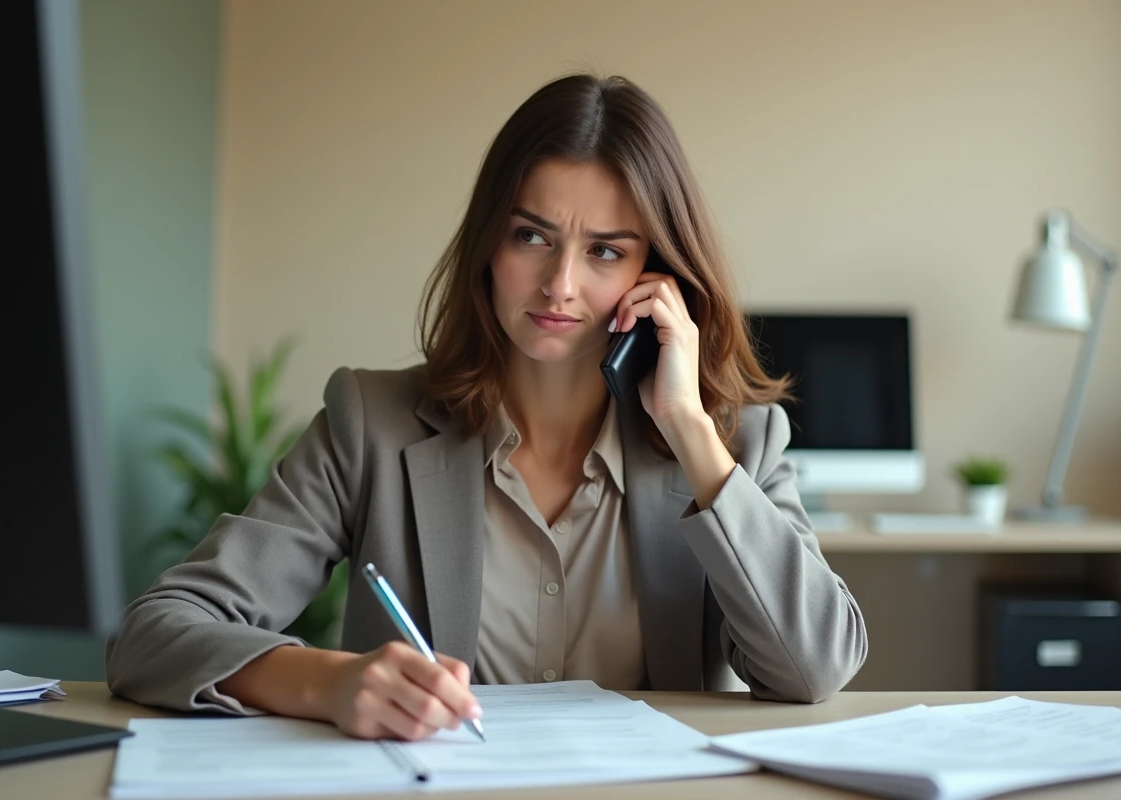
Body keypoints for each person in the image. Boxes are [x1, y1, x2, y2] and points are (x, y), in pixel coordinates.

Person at [105, 73, 867, 742]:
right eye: (532, 236)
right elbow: (154, 633)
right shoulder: (371, 423)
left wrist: (692, 436)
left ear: (656, 274)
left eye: (606, 251)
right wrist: (328, 684)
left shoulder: (735, 444)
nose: (560, 284)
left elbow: (815, 668)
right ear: (488, 245)